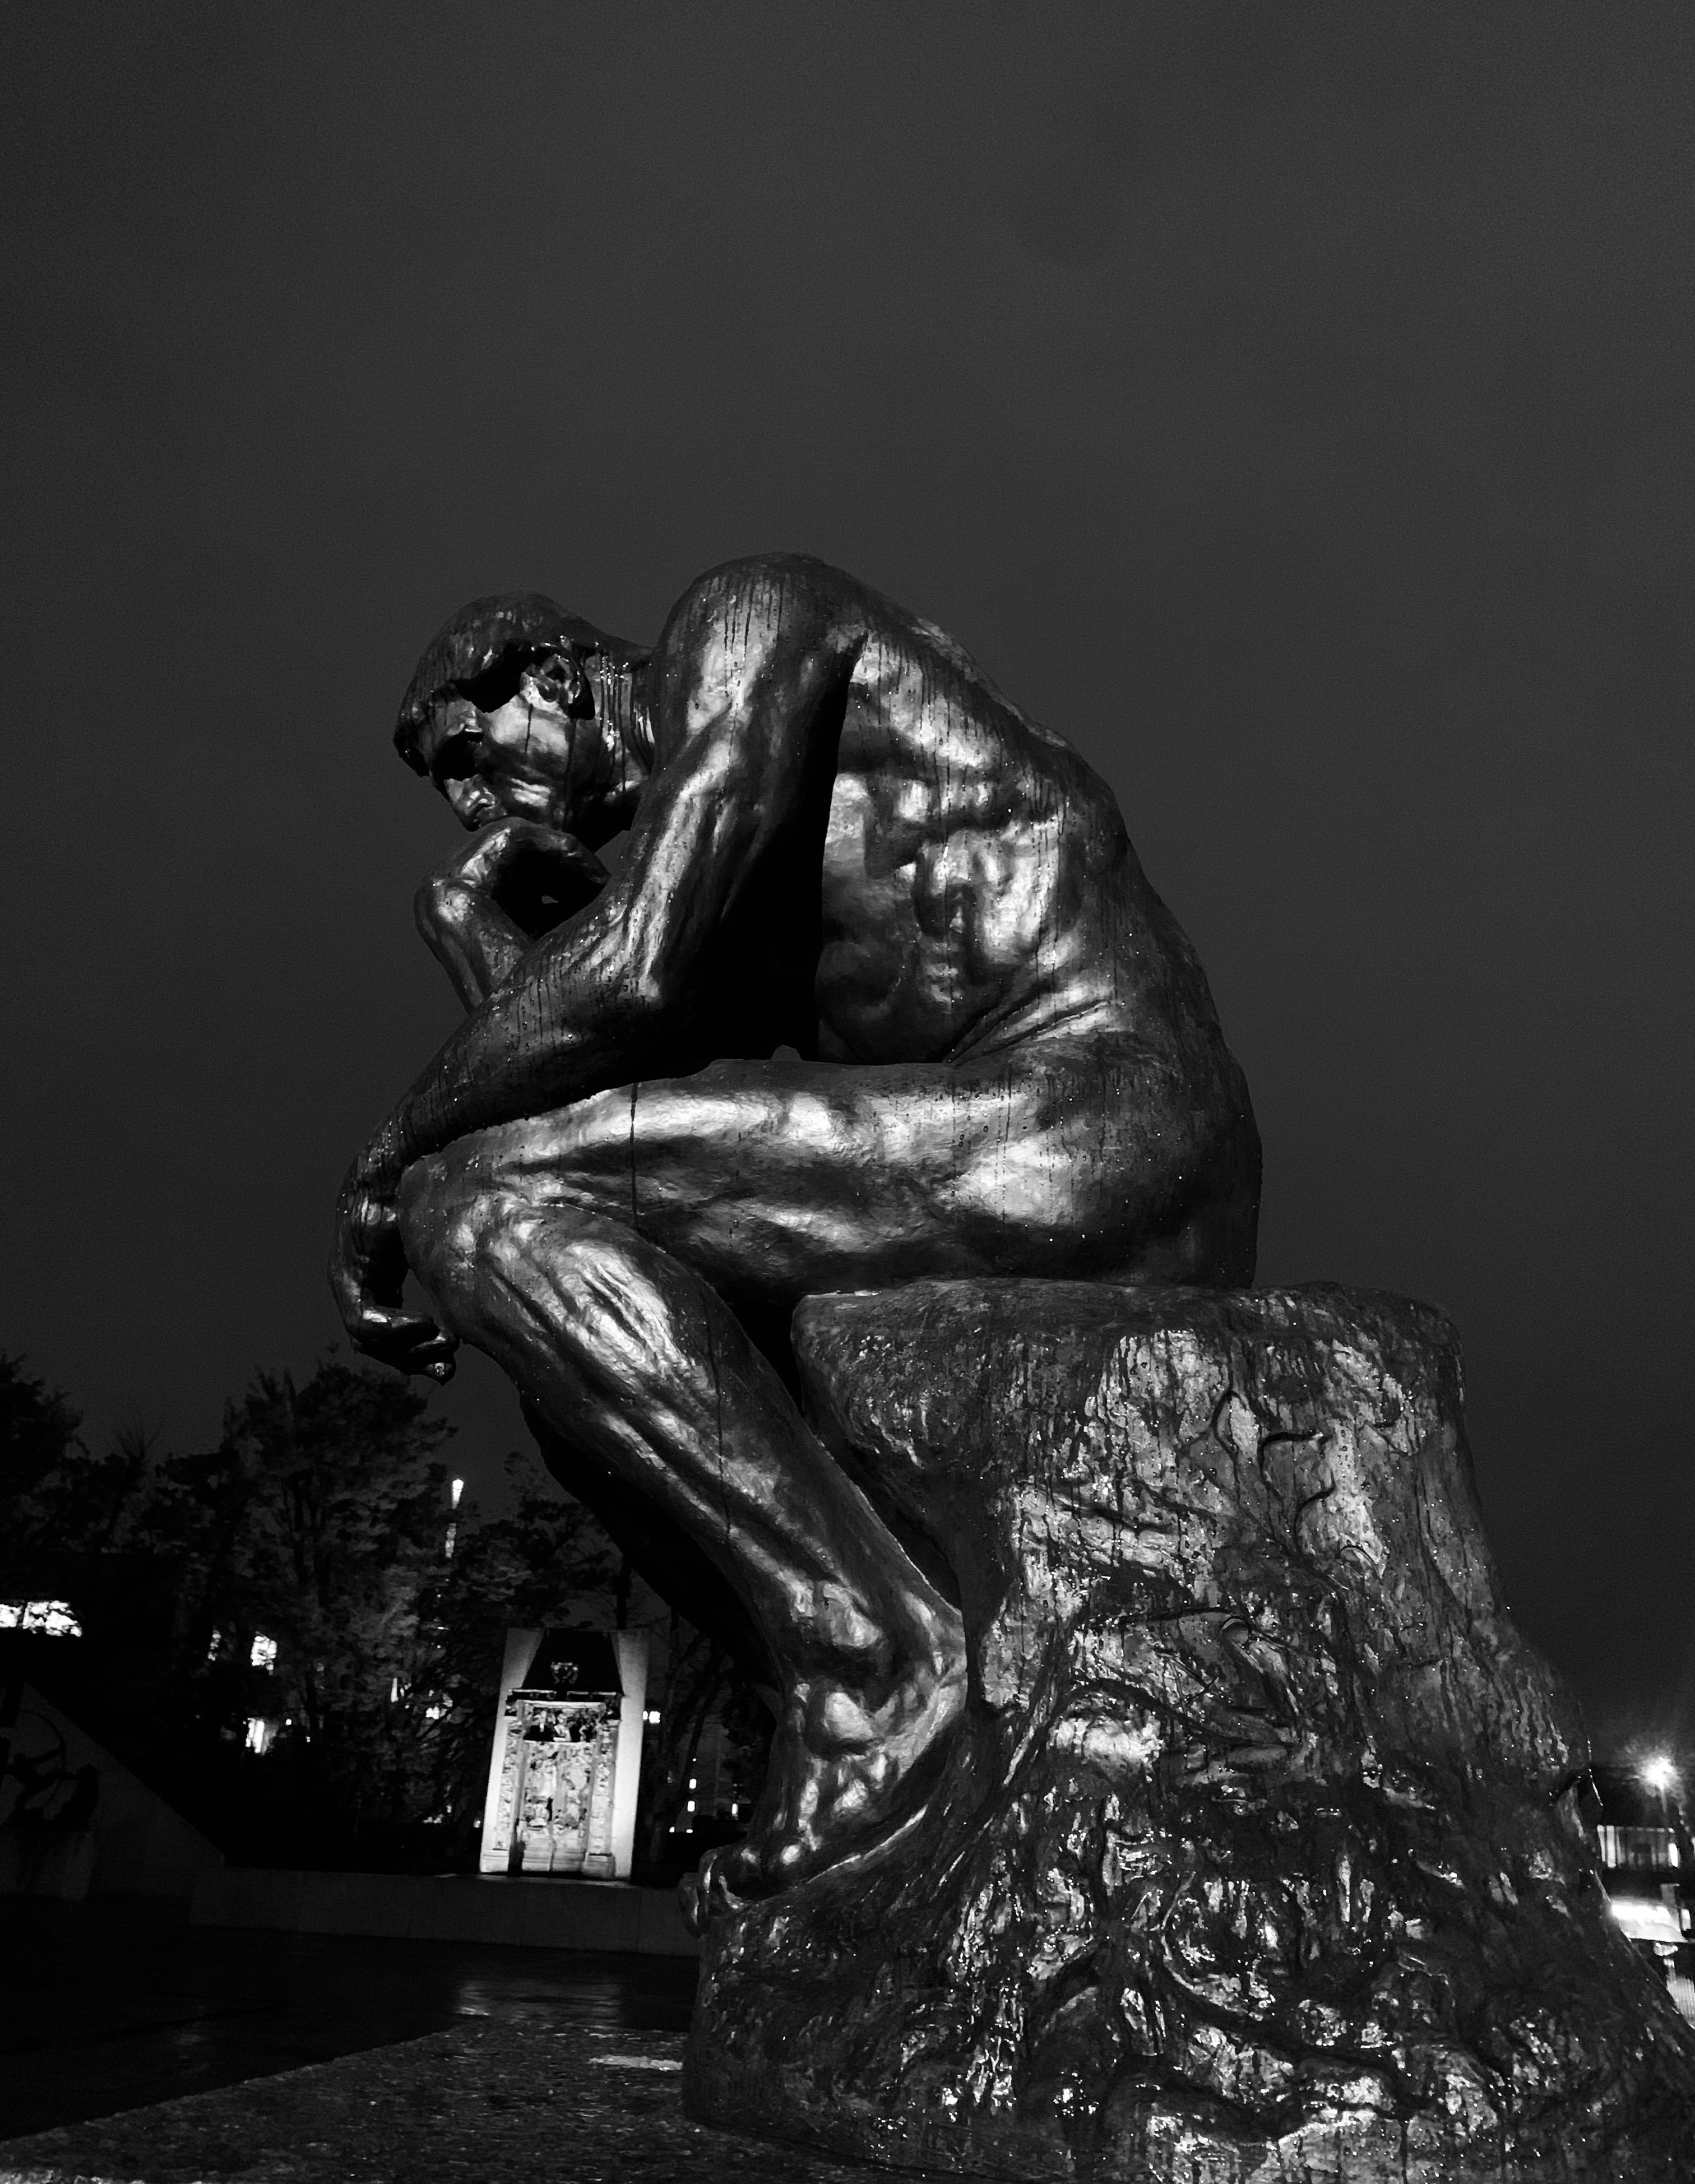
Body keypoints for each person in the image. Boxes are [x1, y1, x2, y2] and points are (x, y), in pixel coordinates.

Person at [331, 553, 1259, 1911]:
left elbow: (629, 985)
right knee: (554, 1341)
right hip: (989, 1147)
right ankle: (844, 1696)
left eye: (479, 758)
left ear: (560, 679)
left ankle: (875, 1668)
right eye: (455, 794)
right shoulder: (727, 853)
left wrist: (382, 1160)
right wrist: (462, 917)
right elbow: (585, 1083)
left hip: (1100, 1120)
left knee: (476, 1209)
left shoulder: (751, 620)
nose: (479, 802)